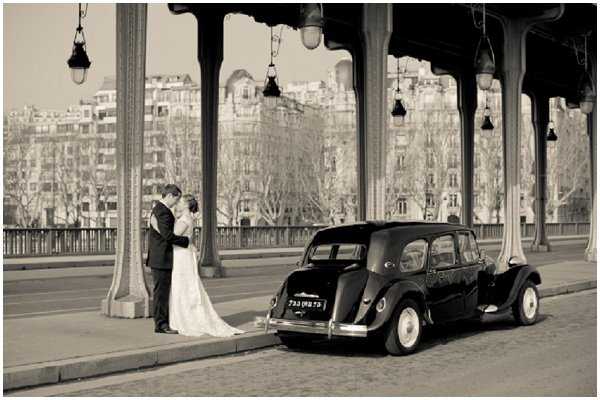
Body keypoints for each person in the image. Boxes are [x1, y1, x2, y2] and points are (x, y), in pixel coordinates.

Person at [151, 194, 243, 337]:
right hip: (184, 255)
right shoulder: (187, 218)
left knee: (181, 287)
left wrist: (156, 227)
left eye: (180, 202)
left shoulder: (184, 219)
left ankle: (182, 318)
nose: (178, 204)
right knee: (185, 286)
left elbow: (170, 237)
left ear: (187, 205)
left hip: (181, 256)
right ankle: (182, 316)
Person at [146, 184, 190, 334]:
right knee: (161, 293)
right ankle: (161, 325)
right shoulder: (163, 212)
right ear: (170, 195)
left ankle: (162, 322)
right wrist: (186, 242)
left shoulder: (158, 209)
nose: (177, 202)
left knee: (161, 292)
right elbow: (168, 236)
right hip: (162, 258)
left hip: (159, 257)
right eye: (176, 199)